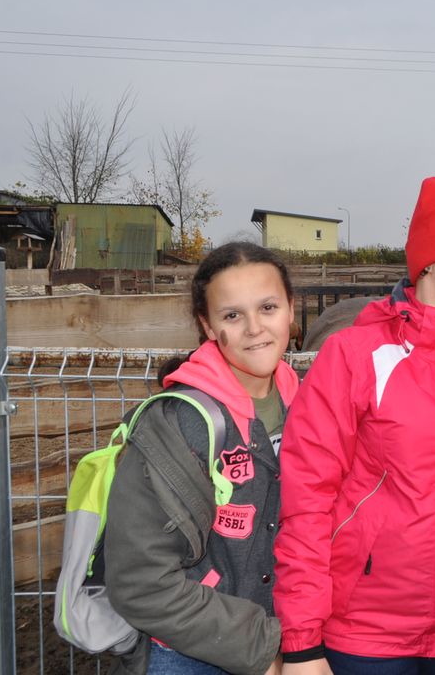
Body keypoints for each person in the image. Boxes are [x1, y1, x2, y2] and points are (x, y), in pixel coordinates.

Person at [274, 177, 435, 675]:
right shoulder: (355, 357)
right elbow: (306, 502)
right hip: (366, 635)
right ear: (431, 260)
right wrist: (302, 643)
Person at [105, 241, 301, 675]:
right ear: (207, 325)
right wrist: (261, 652)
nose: (254, 328)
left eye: (268, 307)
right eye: (232, 315)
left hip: (290, 638)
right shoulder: (178, 424)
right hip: (190, 652)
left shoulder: (309, 404)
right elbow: (141, 582)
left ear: (291, 309)